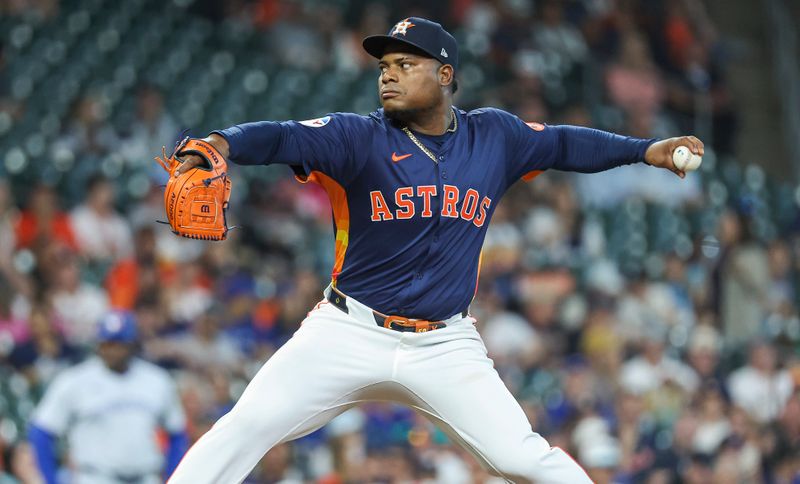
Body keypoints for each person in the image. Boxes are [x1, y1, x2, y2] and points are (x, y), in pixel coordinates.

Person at [167, 17, 704, 484]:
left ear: (445, 75)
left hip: (445, 344)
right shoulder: (359, 137)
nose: (388, 74)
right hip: (346, 331)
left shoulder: (495, 136)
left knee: (526, 460)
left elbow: (564, 143)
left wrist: (644, 150)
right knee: (244, 428)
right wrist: (220, 142)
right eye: (384, 67)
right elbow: (284, 136)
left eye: (405, 64)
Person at [28, 311, 188, 484]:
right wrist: (51, 480)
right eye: (108, 344)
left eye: (120, 344)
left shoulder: (156, 379)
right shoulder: (74, 380)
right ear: (98, 345)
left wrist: (173, 477)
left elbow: (177, 432)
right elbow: (41, 431)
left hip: (145, 477)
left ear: (133, 345)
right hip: (96, 477)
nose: (113, 351)